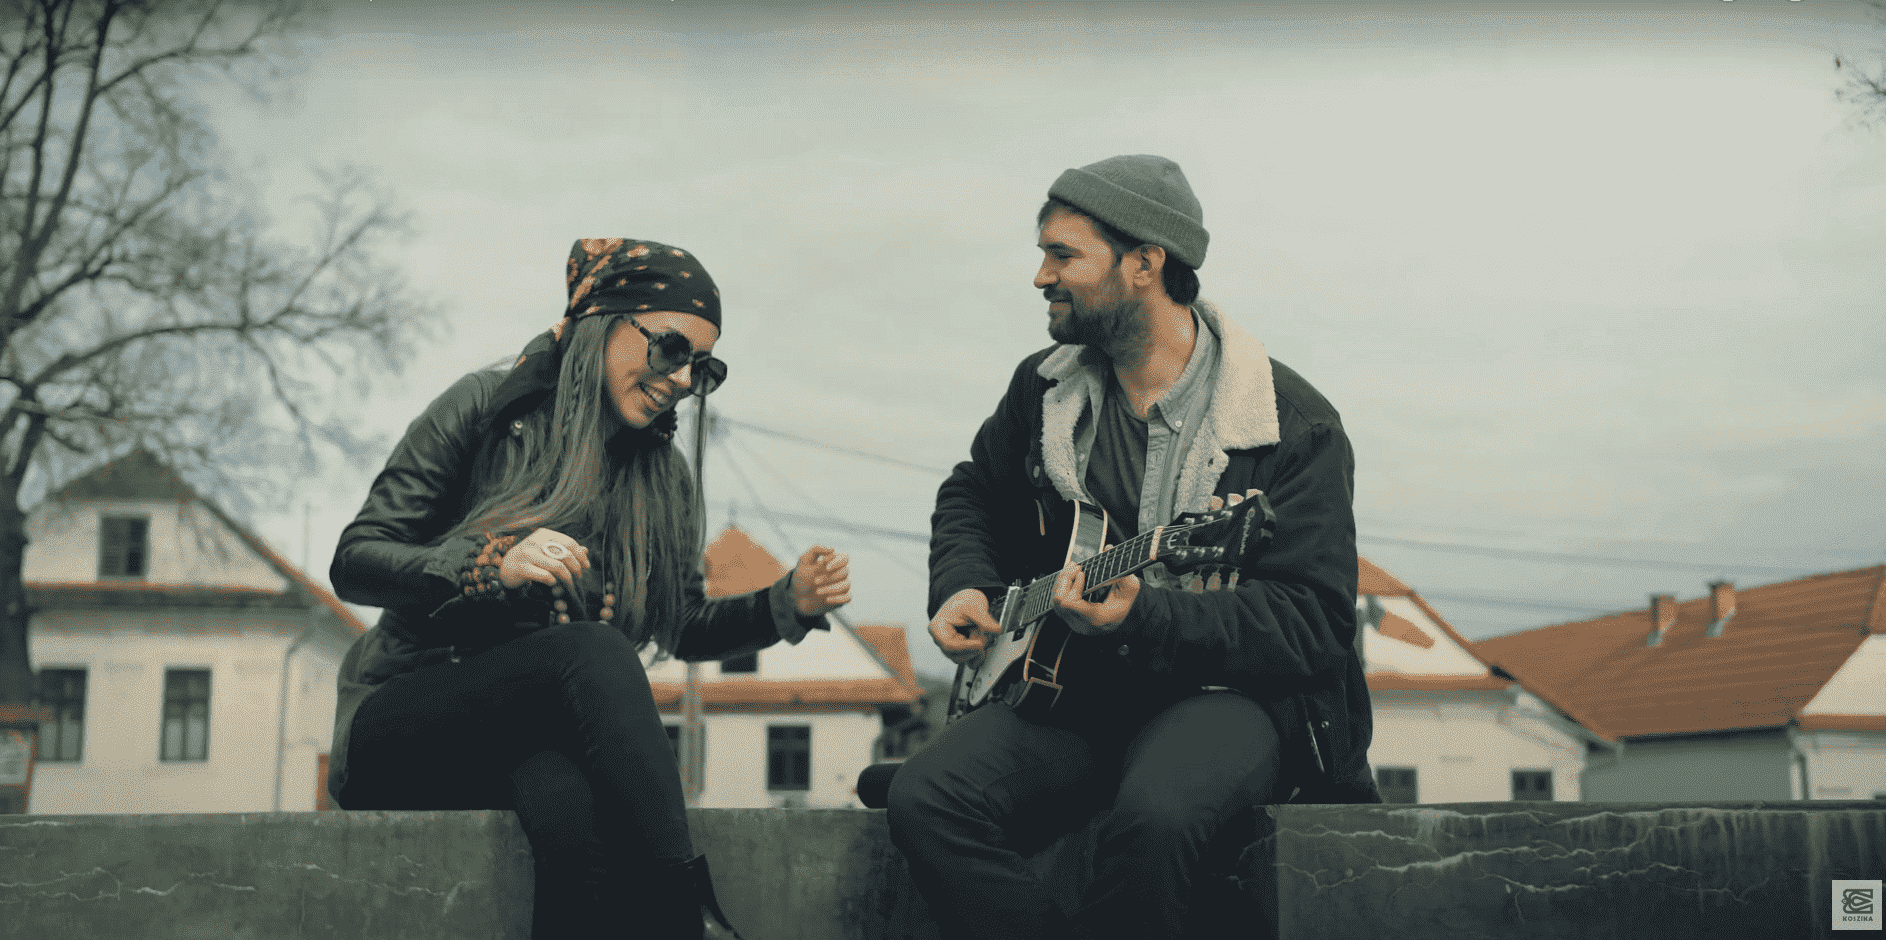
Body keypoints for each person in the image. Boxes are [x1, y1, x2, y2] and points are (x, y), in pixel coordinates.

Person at [886, 156, 1379, 940]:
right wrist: (964, 583)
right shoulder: (1044, 389)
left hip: (1227, 696)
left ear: (1145, 262)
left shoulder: (1292, 422)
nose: (1040, 276)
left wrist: (1142, 617)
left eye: (1063, 255)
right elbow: (972, 491)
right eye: (1043, 254)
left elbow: (1313, 622)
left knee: (1155, 820)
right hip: (1074, 688)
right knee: (926, 799)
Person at [326, 237, 851, 940]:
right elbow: (356, 560)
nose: (683, 379)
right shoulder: (485, 408)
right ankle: (686, 915)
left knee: (571, 813)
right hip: (404, 721)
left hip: (523, 746)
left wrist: (786, 604)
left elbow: (681, 624)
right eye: (671, 348)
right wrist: (487, 565)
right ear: (604, 323)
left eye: (703, 367)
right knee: (595, 651)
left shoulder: (663, 480)